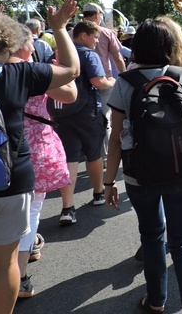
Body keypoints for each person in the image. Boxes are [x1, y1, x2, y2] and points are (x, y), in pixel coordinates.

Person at [104, 17, 182, 313]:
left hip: (140, 176)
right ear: (170, 45)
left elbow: (115, 139)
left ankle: (156, 301)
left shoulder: (124, 83)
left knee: (151, 237)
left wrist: (109, 182)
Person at [0, 0, 80, 314]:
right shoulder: (23, 74)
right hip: (13, 174)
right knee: (6, 261)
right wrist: (59, 28)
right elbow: (71, 75)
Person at [8, 25, 75, 299]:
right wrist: (61, 68)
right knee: (30, 213)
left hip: (1, 148)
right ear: (18, 46)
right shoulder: (32, 72)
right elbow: (70, 94)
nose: (34, 48)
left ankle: (21, 255)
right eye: (30, 43)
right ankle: (19, 277)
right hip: (33, 149)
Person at [56, 20, 115, 226]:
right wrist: (111, 81)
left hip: (62, 113)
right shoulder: (88, 54)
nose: (97, 41)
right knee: (94, 153)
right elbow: (98, 81)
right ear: (84, 36)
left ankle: (67, 207)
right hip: (87, 112)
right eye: (95, 37)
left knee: (70, 158)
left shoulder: (57, 53)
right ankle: (98, 193)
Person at [81, 2, 126, 157]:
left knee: (86, 117)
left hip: (80, 82)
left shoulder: (73, 33)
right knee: (105, 118)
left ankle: (90, 152)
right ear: (96, 15)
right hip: (104, 81)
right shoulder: (106, 33)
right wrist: (125, 77)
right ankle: (105, 155)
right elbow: (118, 58)